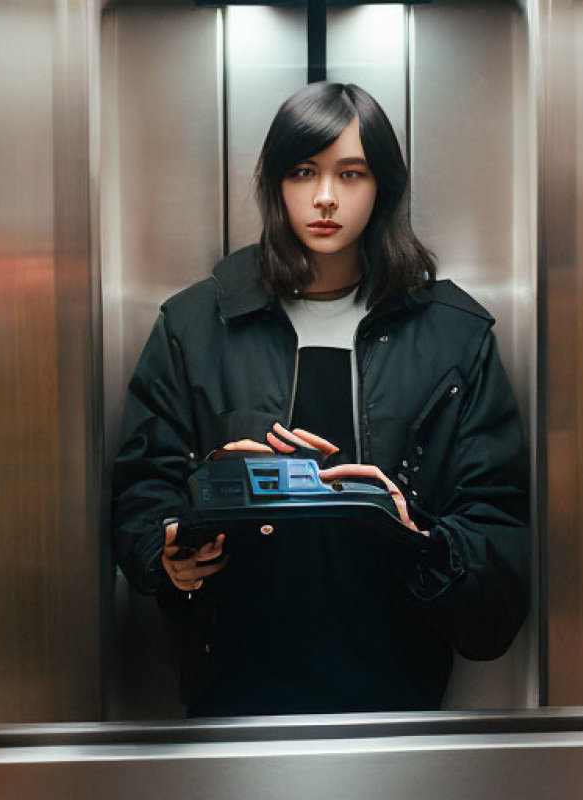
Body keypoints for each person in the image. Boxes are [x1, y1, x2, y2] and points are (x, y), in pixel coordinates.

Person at [111, 82, 529, 717]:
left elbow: (498, 534)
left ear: (382, 185)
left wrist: (407, 525)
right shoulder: (195, 325)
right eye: (304, 171)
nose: (325, 196)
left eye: (351, 173)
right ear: (276, 184)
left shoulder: (453, 336)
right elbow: (142, 491)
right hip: (231, 691)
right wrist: (178, 543)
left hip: (398, 695)